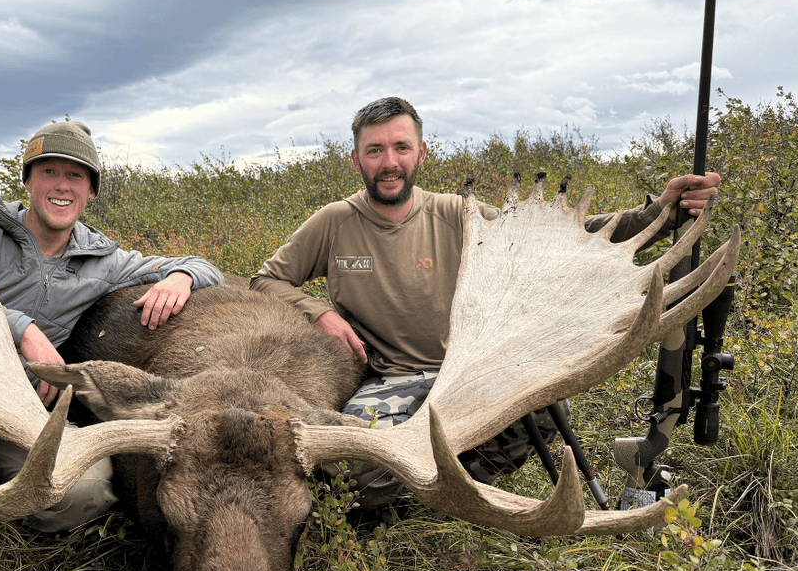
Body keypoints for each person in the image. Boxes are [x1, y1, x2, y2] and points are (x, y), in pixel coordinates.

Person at [250, 97, 719, 509]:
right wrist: (321, 313)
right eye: (375, 151)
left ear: (421, 153)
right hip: (388, 382)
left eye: (400, 148)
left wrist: (658, 212)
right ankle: (433, 489)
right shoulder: (334, 222)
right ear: (357, 160)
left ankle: (446, 484)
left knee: (543, 410)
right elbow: (266, 280)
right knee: (349, 470)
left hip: (468, 372)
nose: (388, 162)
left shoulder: (455, 213)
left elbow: (546, 239)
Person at [0, 120, 224, 530]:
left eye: (75, 175)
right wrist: (23, 329)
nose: (61, 185)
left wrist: (182, 277)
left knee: (85, 492)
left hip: (10, 410)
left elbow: (202, 265)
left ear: (90, 192)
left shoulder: (102, 261)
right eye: (48, 171)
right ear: (28, 181)